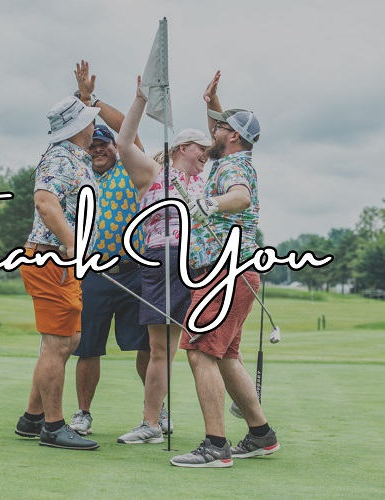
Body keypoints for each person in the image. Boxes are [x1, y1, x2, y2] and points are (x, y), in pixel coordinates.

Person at [170, 71, 280, 467]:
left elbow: (239, 196)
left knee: (200, 352)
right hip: (234, 271)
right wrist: (211, 103)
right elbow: (221, 133)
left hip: (224, 271)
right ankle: (261, 435)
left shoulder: (235, 167)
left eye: (217, 129)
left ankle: (216, 446)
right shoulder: (231, 154)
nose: (209, 134)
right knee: (226, 357)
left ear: (231, 136)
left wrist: (211, 204)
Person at [116, 76, 212, 444]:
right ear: (183, 147)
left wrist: (210, 104)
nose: (206, 156)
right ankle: (151, 424)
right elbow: (124, 142)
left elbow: (220, 144)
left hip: (199, 266)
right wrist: (140, 98)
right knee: (161, 350)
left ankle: (232, 426)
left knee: (207, 350)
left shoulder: (205, 183)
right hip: (160, 260)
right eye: (200, 149)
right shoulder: (155, 174)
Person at [66, 60, 158, 436]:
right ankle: (83, 413)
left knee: (147, 347)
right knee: (87, 347)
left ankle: (155, 412)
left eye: (104, 144)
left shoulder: (128, 167)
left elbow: (127, 131)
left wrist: (91, 100)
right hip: (93, 274)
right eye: (93, 144)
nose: (98, 150)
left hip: (134, 272)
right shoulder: (79, 169)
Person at [14, 95, 101, 450]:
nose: (95, 126)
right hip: (52, 261)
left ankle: (32, 417)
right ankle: (52, 427)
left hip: (61, 263)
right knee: (57, 344)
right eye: (90, 120)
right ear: (79, 128)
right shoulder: (60, 158)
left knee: (68, 341)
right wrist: (73, 244)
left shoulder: (74, 158)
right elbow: (45, 202)